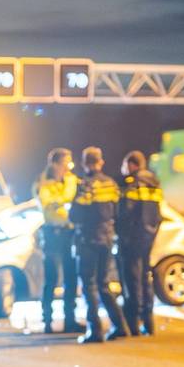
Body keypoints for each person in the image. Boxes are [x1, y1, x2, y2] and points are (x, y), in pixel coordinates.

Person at [69, 146, 128, 344]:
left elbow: (75, 214)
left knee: (89, 285)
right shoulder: (111, 184)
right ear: (100, 162)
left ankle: (95, 331)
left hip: (88, 240)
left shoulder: (86, 185)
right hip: (107, 239)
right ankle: (120, 326)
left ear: (85, 163)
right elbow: (118, 212)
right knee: (104, 284)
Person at [35, 148, 84, 334]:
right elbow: (48, 202)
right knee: (52, 278)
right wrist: (63, 198)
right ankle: (47, 320)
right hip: (52, 234)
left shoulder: (71, 180)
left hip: (68, 233)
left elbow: (70, 199)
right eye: (65, 163)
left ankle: (69, 320)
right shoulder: (43, 182)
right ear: (54, 164)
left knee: (71, 278)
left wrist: (62, 198)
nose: (68, 168)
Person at [116, 151, 163, 336]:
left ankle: (133, 322)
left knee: (131, 280)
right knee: (145, 278)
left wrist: (121, 234)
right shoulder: (155, 184)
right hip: (148, 237)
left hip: (131, 239)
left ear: (132, 165)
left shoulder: (132, 183)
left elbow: (125, 213)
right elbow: (157, 214)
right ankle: (148, 321)